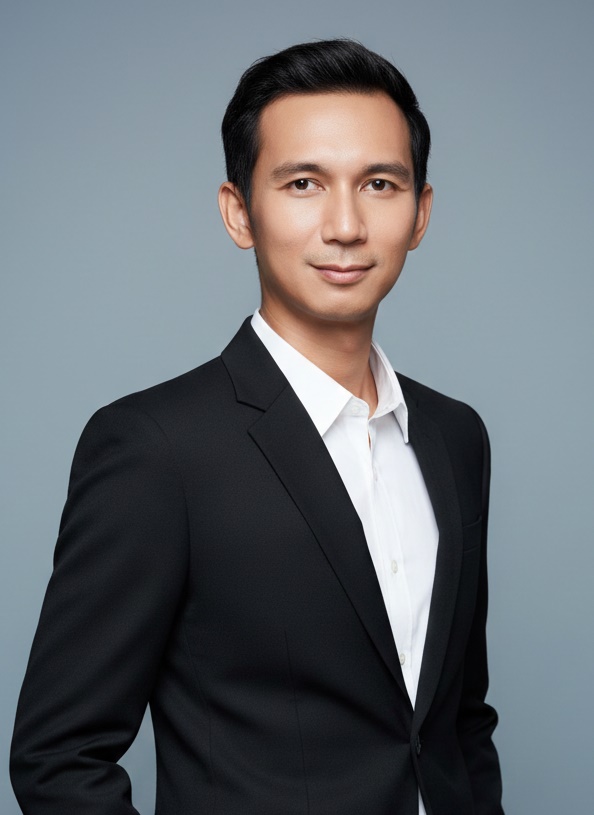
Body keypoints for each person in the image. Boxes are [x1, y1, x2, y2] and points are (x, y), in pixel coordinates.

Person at [10, 39, 504, 815]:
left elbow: (459, 721)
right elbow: (58, 758)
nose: (346, 224)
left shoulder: (454, 437)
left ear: (420, 213)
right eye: (304, 183)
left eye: (379, 183)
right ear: (239, 212)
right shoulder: (156, 448)